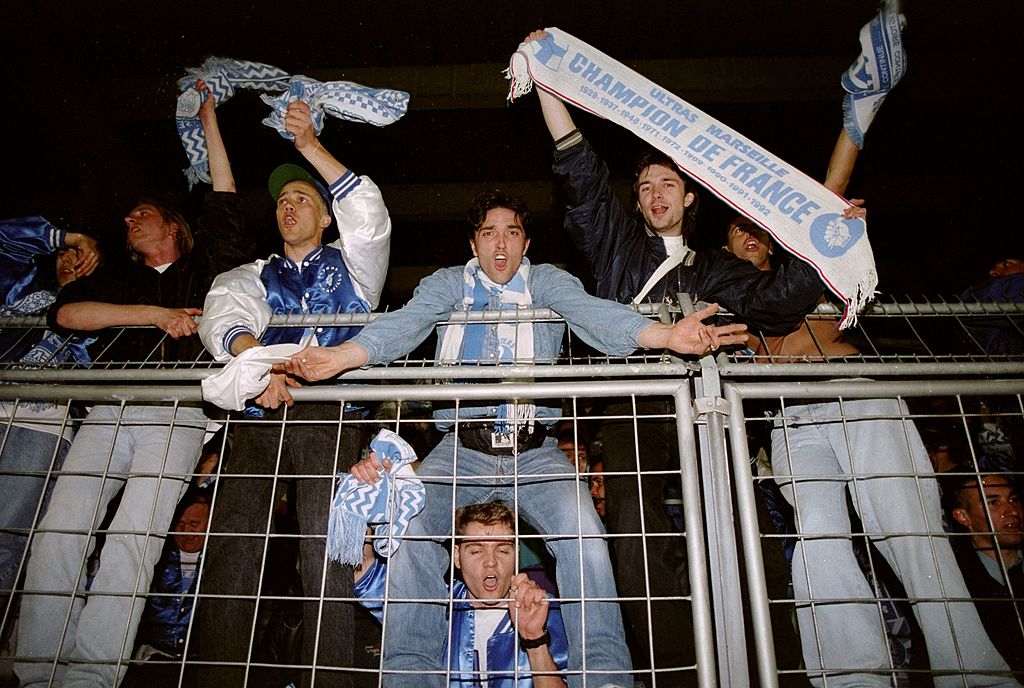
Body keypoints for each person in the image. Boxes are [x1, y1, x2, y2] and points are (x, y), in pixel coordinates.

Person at [276, 189, 748, 688]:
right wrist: (346, 355)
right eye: (489, 233)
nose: (500, 244)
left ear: (526, 242)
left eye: (512, 232)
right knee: (410, 535)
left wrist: (662, 335)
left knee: (586, 540)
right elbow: (407, 324)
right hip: (461, 448)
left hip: (536, 451)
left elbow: (591, 313)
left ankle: (606, 681)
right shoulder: (447, 284)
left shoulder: (546, 280)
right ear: (473, 242)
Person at [523, 28, 832, 679]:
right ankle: (672, 666)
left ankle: (774, 663)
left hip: (705, 408)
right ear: (635, 201)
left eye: (669, 184)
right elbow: (578, 167)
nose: (656, 194)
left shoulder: (716, 269)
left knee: (739, 524)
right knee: (635, 529)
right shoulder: (616, 248)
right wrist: (548, 80)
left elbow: (777, 298)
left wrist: (830, 242)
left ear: (690, 196)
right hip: (633, 405)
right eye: (645, 187)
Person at [15, 80, 247, 688]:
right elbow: (67, 315)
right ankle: (39, 668)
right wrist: (151, 316)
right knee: (62, 526)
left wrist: (208, 116)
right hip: (109, 410)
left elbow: (222, 191)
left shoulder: (208, 268)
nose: (128, 219)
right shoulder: (119, 276)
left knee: (134, 537)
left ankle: (91, 675)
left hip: (177, 413)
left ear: (172, 225)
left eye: (140, 213)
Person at [724, 221, 1020, 685]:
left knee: (910, 529)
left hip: (852, 389)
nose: (748, 236)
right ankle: (852, 675)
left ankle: (972, 672)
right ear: (725, 246)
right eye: (737, 230)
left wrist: (837, 228)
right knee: (819, 536)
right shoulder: (721, 298)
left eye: (755, 228)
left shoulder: (807, 273)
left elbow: (837, 260)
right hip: (791, 418)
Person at [196, 98, 391, 687]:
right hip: (259, 411)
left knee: (324, 553)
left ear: (325, 217)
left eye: (302, 198)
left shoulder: (356, 268)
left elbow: (371, 213)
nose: (289, 206)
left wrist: (308, 145)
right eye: (282, 200)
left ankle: (329, 679)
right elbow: (224, 309)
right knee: (232, 551)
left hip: (329, 414)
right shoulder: (256, 273)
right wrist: (259, 366)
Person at [355, 502, 570, 688]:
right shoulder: (436, 603)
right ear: (457, 557)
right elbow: (364, 572)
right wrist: (367, 499)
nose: (490, 562)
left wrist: (535, 640)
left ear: (517, 555)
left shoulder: (541, 606)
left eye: (503, 550)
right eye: (476, 551)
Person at [0, 218, 100, 607]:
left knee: (7, 536)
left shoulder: (103, 311)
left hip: (39, 426)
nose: (70, 259)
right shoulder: (22, 293)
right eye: (64, 253)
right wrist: (74, 235)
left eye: (82, 256)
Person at [123, 490, 211, 687]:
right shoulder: (154, 560)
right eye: (179, 525)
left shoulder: (222, 562)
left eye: (194, 525)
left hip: (200, 667)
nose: (186, 532)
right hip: (151, 665)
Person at [943, 473, 1023, 671]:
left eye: (1013, 499)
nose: (1011, 511)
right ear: (963, 517)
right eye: (993, 502)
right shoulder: (953, 579)